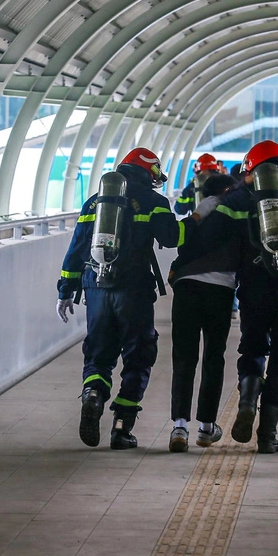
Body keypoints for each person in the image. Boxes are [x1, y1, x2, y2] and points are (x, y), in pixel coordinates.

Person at [180, 140, 278, 453]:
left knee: (254, 348)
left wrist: (182, 262)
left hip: (253, 288)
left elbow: (207, 239)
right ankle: (268, 432)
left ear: (249, 169)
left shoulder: (238, 198)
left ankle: (247, 401)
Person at [57, 148, 185, 450]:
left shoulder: (95, 202)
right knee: (139, 355)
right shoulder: (154, 201)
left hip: (96, 289)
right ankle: (121, 427)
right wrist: (194, 222)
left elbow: (76, 249)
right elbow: (172, 238)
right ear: (149, 173)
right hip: (134, 290)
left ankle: (93, 395)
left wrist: (65, 290)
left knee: (99, 354)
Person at [167, 172, 238, 452]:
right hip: (220, 290)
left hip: (186, 287)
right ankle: (206, 428)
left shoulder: (198, 213)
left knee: (183, 358)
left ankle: (179, 427)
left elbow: (180, 241)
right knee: (213, 357)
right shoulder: (236, 210)